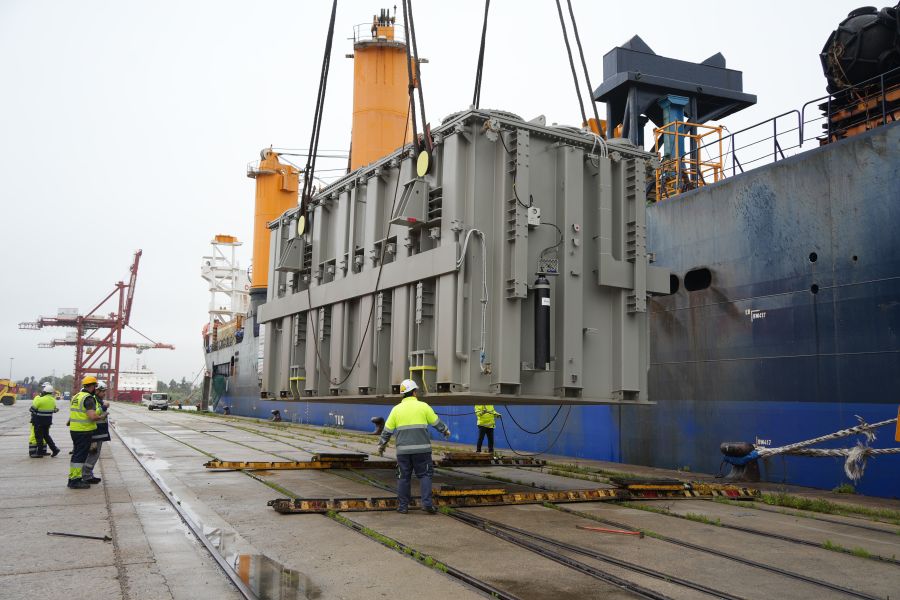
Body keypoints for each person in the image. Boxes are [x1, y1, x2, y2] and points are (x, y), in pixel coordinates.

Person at [377, 379, 450, 514]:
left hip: (403, 452)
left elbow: (387, 431)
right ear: (414, 392)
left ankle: (403, 507)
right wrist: (445, 430)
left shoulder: (396, 409)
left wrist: (381, 445)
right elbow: (436, 422)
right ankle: (427, 504)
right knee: (425, 475)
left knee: (403, 477)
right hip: (422, 451)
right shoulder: (423, 406)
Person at [68, 376, 103, 489]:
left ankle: (73, 478)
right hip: (84, 431)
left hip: (75, 430)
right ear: (92, 386)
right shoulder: (88, 398)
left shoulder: (76, 396)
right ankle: (75, 481)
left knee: (76, 455)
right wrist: (101, 416)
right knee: (80, 457)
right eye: (95, 386)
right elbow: (92, 416)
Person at [82, 381, 110, 484]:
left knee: (93, 454)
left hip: (98, 431)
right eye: (103, 391)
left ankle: (88, 474)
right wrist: (104, 407)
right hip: (95, 432)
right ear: (97, 390)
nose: (104, 393)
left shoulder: (97, 399)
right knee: (93, 454)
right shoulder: (93, 399)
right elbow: (94, 414)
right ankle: (86, 475)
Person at [30, 382, 60, 457]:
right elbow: (54, 410)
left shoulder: (40, 399)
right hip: (48, 422)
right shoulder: (53, 400)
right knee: (46, 436)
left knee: (39, 437)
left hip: (39, 422)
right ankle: (55, 449)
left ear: (44, 392)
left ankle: (40, 453)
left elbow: (32, 409)